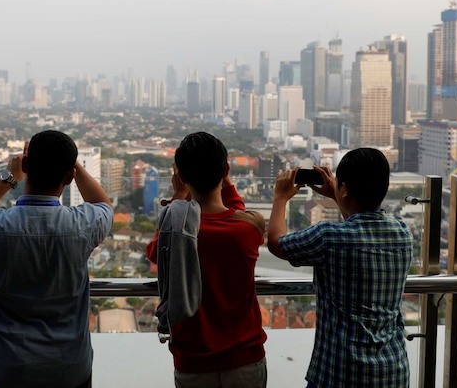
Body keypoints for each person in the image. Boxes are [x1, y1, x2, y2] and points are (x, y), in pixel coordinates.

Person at [0, 130, 113, 388]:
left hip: (6, 369)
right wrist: (70, 163)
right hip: (69, 369)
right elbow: (103, 205)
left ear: (26, 166)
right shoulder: (83, 225)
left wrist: (9, 179)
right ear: (70, 176)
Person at [267, 148, 412, 388]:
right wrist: (338, 194)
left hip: (339, 372)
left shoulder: (328, 237)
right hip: (391, 372)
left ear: (345, 188)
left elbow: (276, 242)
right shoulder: (402, 233)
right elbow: (361, 225)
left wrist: (280, 198)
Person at [146, 131, 268, 388]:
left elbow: (155, 253)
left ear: (180, 176)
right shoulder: (248, 229)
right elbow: (237, 214)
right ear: (226, 170)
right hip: (245, 358)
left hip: (193, 360)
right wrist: (226, 180)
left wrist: (178, 197)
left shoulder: (175, 231)